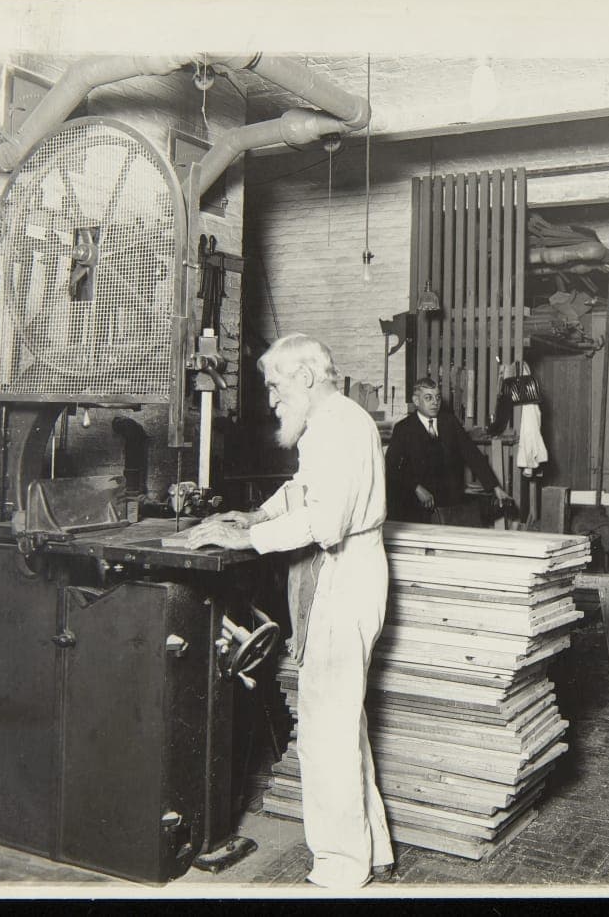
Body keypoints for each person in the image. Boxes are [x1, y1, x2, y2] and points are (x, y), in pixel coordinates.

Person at [184, 333, 393, 889]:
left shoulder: (338, 426)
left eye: (276, 387)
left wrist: (244, 544)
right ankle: (369, 851)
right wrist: (248, 518)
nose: (273, 400)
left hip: (345, 573)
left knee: (327, 728)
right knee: (342, 719)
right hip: (343, 571)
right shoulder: (332, 423)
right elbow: (302, 491)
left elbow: (323, 523)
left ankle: (340, 869)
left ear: (305, 376)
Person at [385, 377, 511, 526]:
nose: (435, 402)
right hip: (416, 505)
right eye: (428, 398)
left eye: (437, 398)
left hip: (449, 503)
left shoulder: (450, 422)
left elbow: (473, 456)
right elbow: (391, 467)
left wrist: (495, 487)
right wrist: (416, 487)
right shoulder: (404, 428)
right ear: (416, 401)